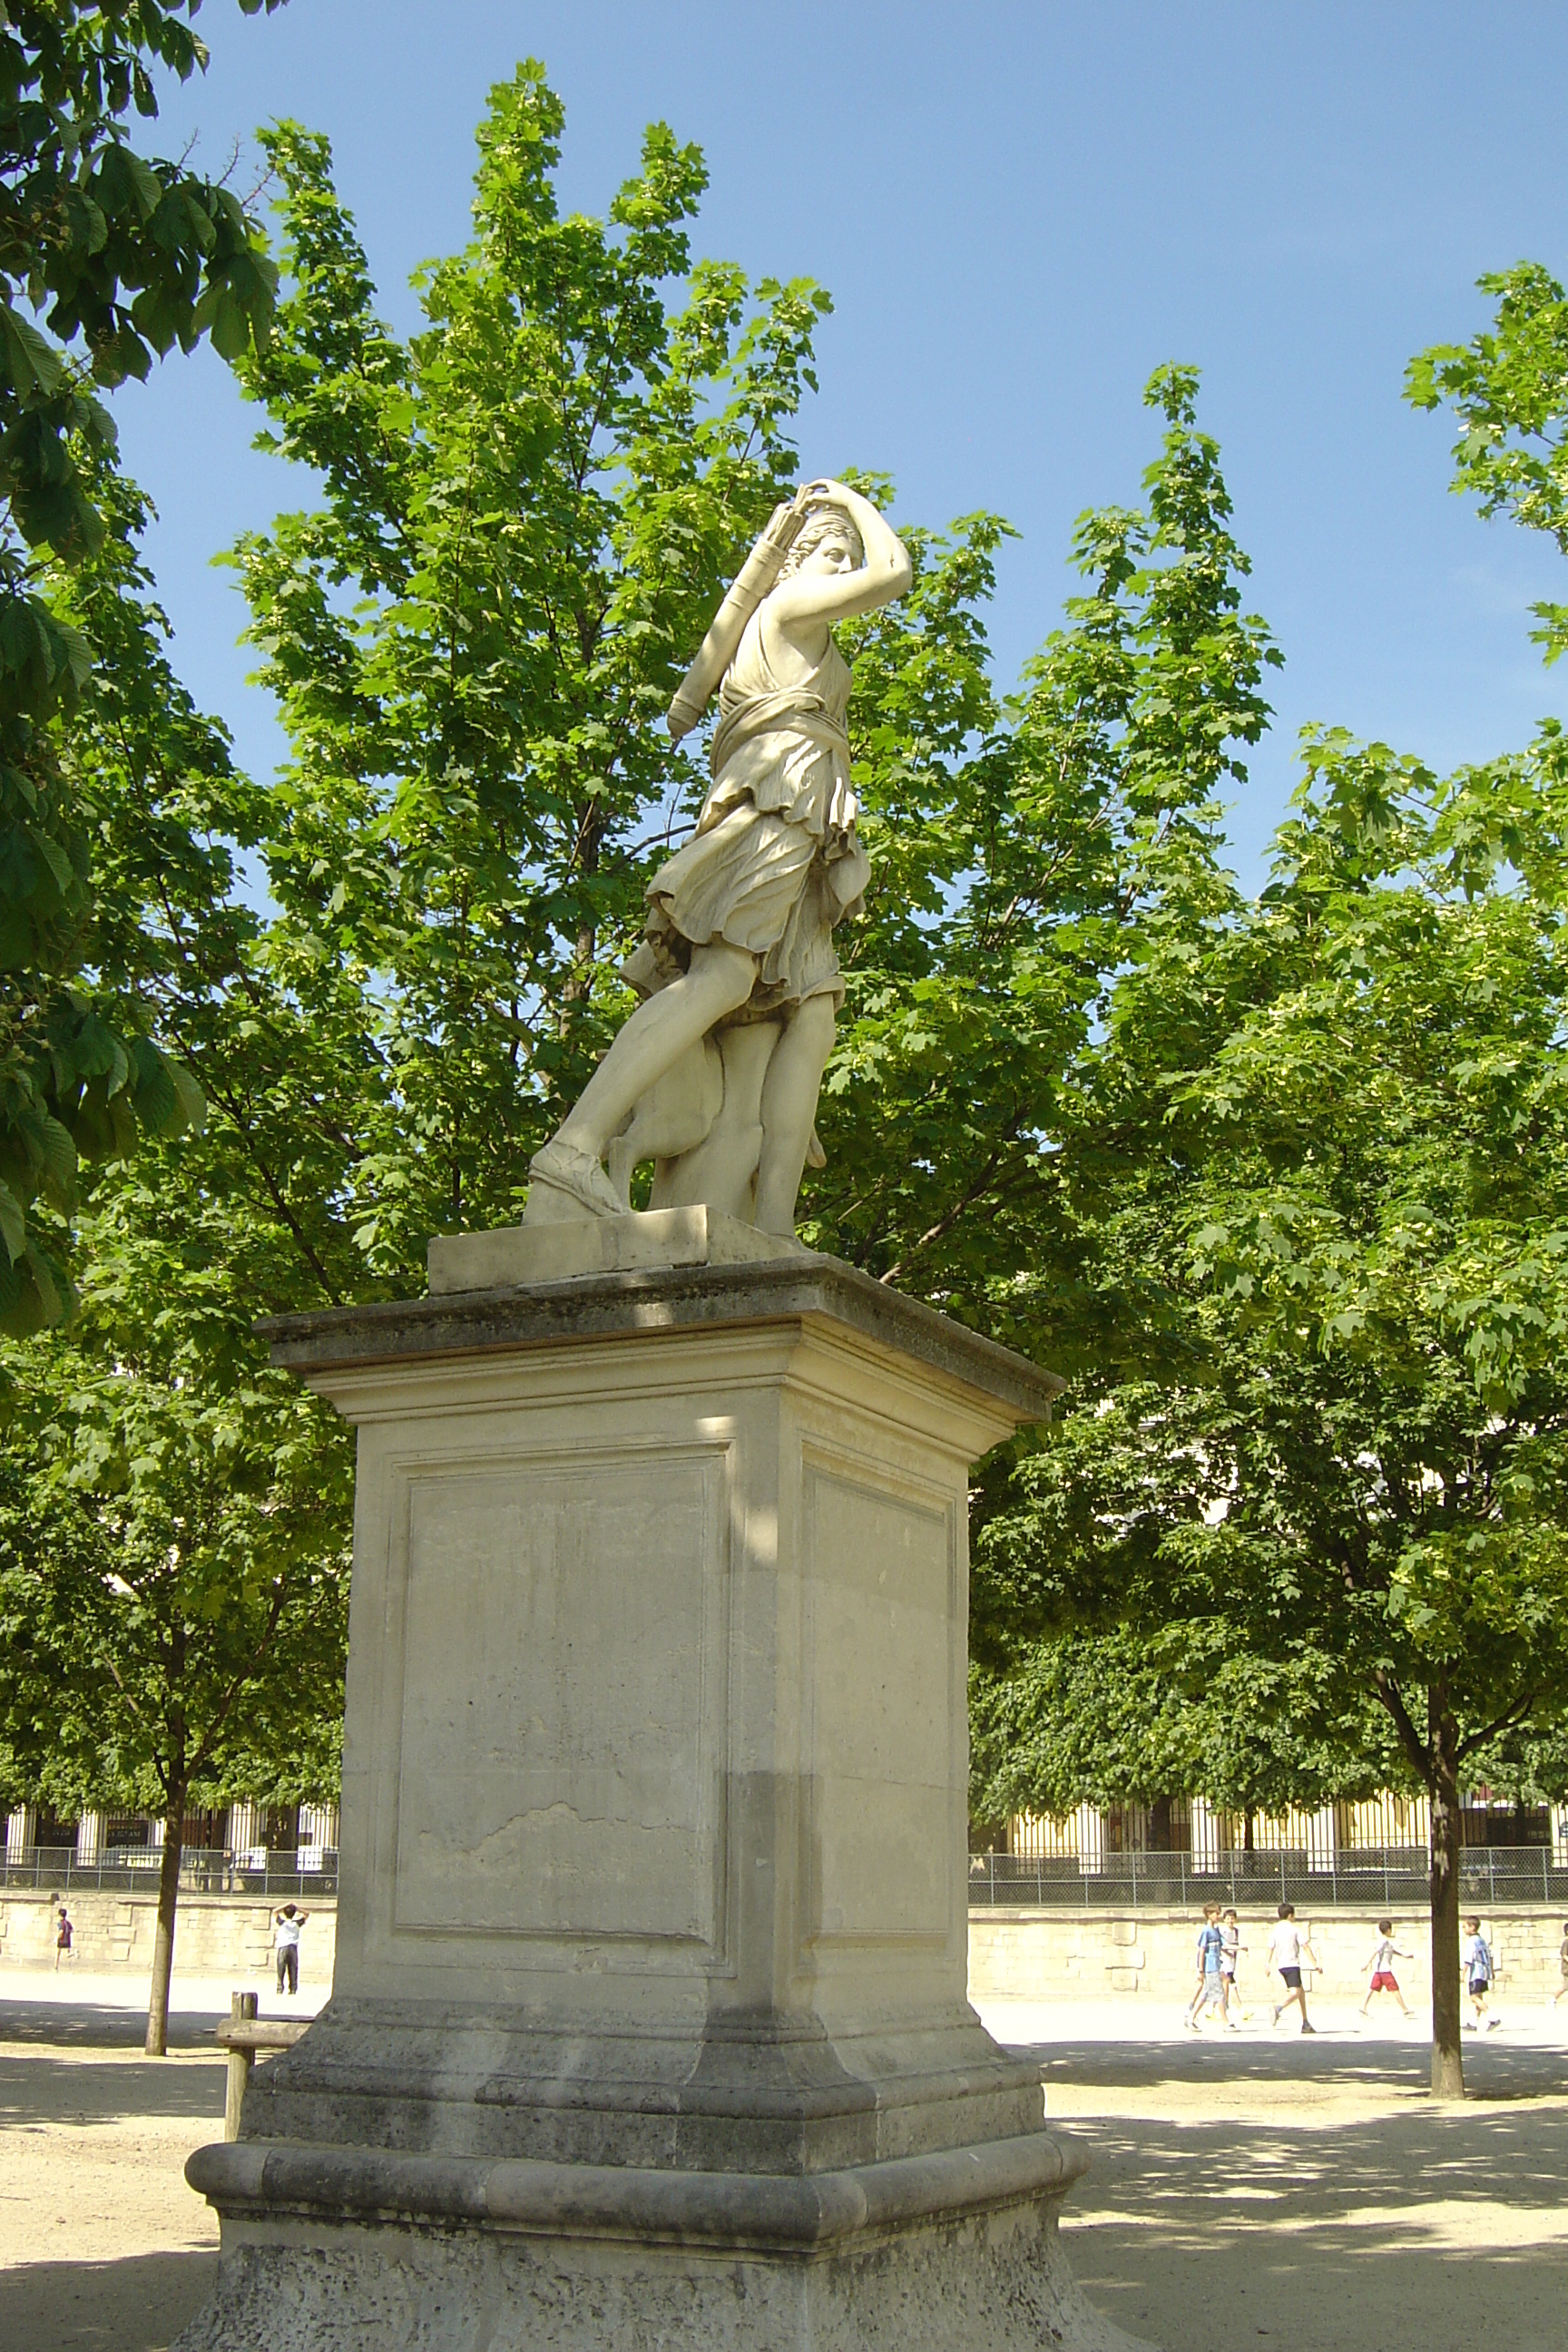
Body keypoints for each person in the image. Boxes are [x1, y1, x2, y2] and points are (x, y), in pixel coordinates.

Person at [525, 480, 912, 1240]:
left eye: (844, 554)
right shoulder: (787, 607)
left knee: (789, 1015)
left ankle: (761, 1226)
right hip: (779, 799)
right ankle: (575, 1145)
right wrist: (853, 503)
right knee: (726, 976)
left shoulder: (799, 626)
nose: (841, 567)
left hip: (808, 816)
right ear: (793, 563)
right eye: (828, 553)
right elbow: (893, 573)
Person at [1268, 1900, 1318, 2034]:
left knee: (1301, 1994)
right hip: (1292, 1964)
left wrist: (1267, 1964)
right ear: (1290, 1915)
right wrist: (1315, 1964)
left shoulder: (1275, 1929)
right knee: (1295, 1993)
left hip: (1281, 1965)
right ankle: (1278, 2008)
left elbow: (1270, 1948)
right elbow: (1305, 1946)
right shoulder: (1295, 1929)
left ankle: (1305, 2022)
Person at [1359, 1918, 1413, 2019]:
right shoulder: (1383, 1942)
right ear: (1388, 1930)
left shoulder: (1387, 1943)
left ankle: (1363, 2007)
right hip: (1385, 1971)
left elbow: (1392, 1951)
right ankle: (1405, 2010)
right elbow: (1375, 1952)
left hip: (1379, 1971)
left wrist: (1404, 1955)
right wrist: (1367, 1964)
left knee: (1372, 1989)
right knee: (1395, 1989)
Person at [1185, 1902, 1227, 2030]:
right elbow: (1201, 1951)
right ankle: (1226, 2022)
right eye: (1216, 1913)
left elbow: (1223, 1945)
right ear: (1209, 1915)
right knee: (1219, 1993)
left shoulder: (1216, 1929)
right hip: (1210, 1967)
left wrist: (1239, 1948)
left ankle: (1191, 2018)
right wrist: (1200, 1970)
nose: (1218, 1916)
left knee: (1205, 1994)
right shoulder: (1206, 1931)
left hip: (1216, 1965)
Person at [1464, 1916, 1497, 2030]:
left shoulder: (1471, 1941)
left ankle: (1493, 2018)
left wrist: (1463, 1973)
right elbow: (1491, 1955)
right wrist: (1491, 1970)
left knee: (1474, 1998)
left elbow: (1469, 1958)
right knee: (1479, 1998)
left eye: (1465, 1927)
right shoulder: (1482, 1940)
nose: (1463, 1929)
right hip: (1484, 1971)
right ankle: (1473, 2023)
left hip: (1476, 1972)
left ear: (1472, 1927)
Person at [273, 1903, 309, 1995]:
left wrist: (285, 1905)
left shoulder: (282, 1923)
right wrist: (297, 1908)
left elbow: (275, 1912)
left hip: (283, 1947)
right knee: (293, 1969)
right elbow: (307, 1914)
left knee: (281, 1969)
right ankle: (293, 1989)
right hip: (293, 1948)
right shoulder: (297, 1924)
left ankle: (279, 1988)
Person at [1219, 1907, 1246, 2025]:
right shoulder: (1223, 1931)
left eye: (1232, 1918)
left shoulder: (1236, 1931)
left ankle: (1217, 2008)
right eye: (1228, 1918)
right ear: (1224, 1919)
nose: (1230, 1920)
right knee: (1231, 1984)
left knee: (1225, 1985)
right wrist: (1231, 1952)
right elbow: (1223, 1946)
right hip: (1225, 1962)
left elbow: (1234, 1945)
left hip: (1232, 1961)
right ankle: (1241, 2009)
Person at [54, 1905, 74, 1970]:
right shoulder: (68, 1923)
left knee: (58, 1954)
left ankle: (55, 1967)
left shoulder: (60, 1923)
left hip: (61, 1940)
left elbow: (61, 1931)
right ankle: (72, 1953)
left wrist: (56, 1938)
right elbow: (72, 1930)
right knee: (68, 1954)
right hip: (67, 1940)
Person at [1555, 1920, 1568, 2008]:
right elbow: (1564, 1955)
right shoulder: (1566, 1942)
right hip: (1567, 1969)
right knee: (1565, 1986)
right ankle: (1552, 1999)